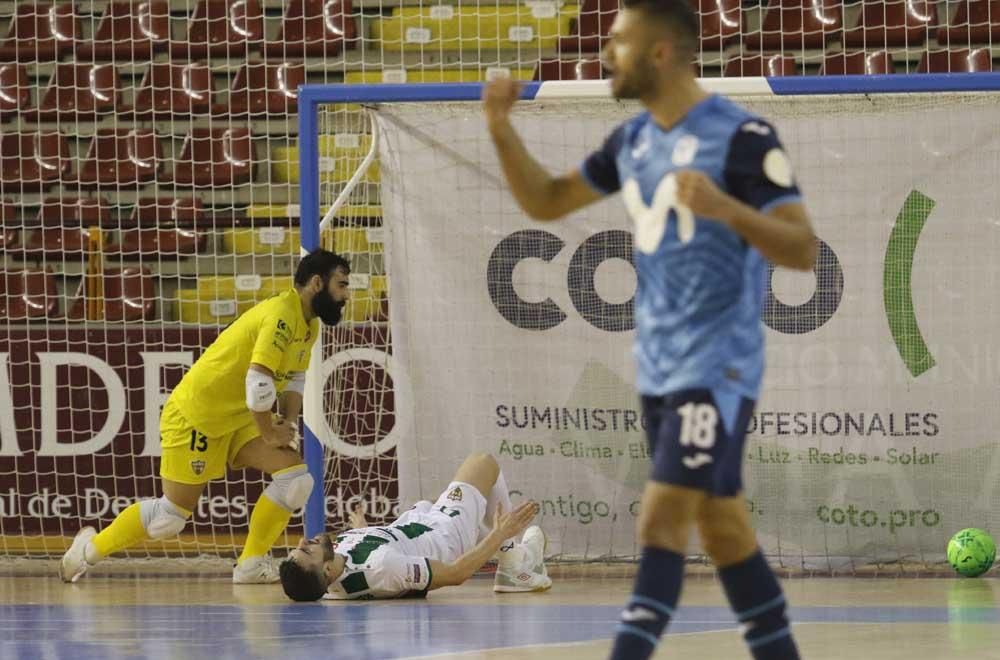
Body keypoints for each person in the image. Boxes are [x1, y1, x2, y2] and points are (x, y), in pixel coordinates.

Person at [482, 0, 816, 657]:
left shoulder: (743, 137)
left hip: (718, 367)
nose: (604, 54)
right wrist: (499, 126)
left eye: (617, 41)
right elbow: (547, 200)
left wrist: (728, 210)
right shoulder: (632, 142)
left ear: (660, 52)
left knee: (660, 519)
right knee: (724, 534)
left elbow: (801, 248)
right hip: (660, 367)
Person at [60, 249, 352, 584]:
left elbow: (295, 377)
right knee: (169, 519)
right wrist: (269, 433)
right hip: (197, 416)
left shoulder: (308, 323)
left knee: (296, 480)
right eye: (341, 285)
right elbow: (258, 382)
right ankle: (85, 552)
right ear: (317, 283)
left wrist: (285, 421)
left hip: (240, 417)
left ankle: (250, 564)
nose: (346, 295)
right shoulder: (280, 317)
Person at [278, 453, 550, 601]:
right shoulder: (383, 567)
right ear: (326, 570)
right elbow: (456, 574)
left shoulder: (332, 571)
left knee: (438, 499)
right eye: (306, 552)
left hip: (416, 523)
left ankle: (516, 552)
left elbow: (356, 563)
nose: (302, 542)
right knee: (483, 464)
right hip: (446, 537)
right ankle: (513, 561)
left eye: (296, 548)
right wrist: (500, 533)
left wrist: (362, 528)